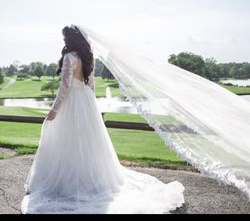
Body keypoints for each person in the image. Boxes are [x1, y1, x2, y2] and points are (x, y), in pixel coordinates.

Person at [21, 25, 185, 214]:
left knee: (67, 141)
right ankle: (89, 178)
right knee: (90, 143)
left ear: (70, 39)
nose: (63, 40)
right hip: (86, 102)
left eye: (65, 37)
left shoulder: (69, 58)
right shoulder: (88, 57)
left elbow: (65, 87)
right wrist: (90, 107)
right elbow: (91, 84)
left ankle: (72, 182)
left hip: (72, 102)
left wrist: (54, 110)